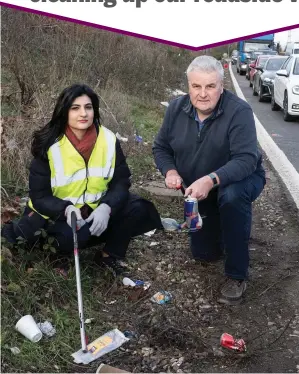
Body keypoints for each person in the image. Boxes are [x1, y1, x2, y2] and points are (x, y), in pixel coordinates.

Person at [1, 84, 163, 277]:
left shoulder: (108, 140)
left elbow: (121, 182)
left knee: (139, 208)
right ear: (64, 111)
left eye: (88, 107)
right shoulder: (50, 144)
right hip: (55, 216)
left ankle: (108, 256)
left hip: (94, 210)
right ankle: (57, 255)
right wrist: (66, 209)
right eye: (75, 108)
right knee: (71, 235)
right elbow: (39, 196)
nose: (83, 113)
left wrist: (106, 207)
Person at [152, 55, 266, 305]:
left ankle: (237, 274)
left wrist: (211, 179)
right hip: (200, 188)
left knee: (232, 198)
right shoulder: (175, 109)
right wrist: (170, 171)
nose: (203, 94)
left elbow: (246, 159)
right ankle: (224, 231)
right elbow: (160, 147)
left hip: (238, 179)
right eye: (196, 86)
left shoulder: (239, 112)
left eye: (210, 86)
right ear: (188, 86)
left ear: (221, 86)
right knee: (204, 254)